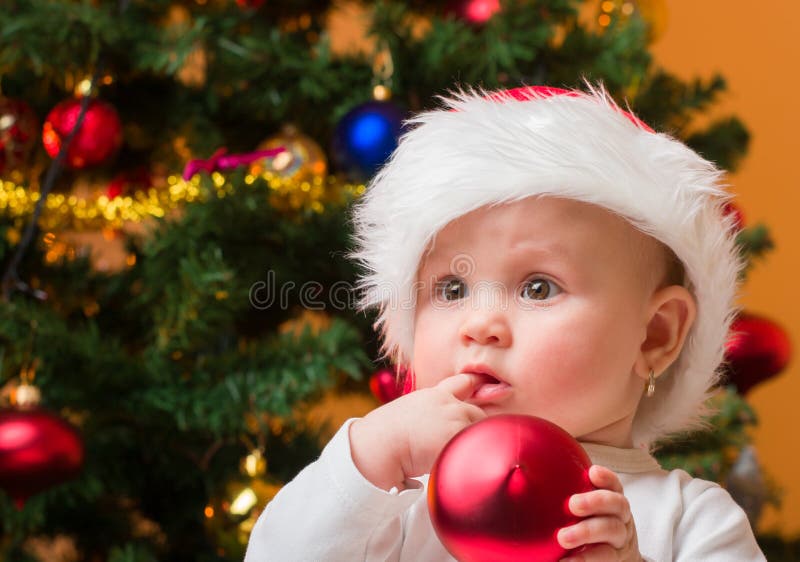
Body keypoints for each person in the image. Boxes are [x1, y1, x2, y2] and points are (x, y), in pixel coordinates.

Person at [244, 85, 766, 561]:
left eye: (538, 287)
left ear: (656, 334)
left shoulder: (692, 522)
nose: (480, 324)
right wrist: (366, 458)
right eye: (451, 289)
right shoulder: (394, 507)